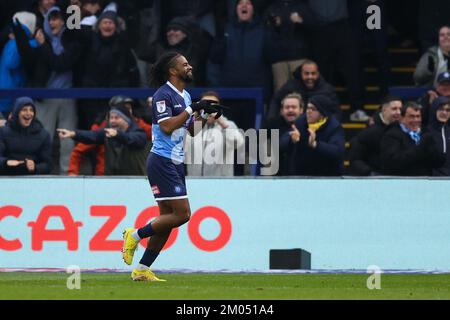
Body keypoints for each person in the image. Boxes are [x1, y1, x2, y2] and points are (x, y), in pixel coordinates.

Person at [120, 52, 224, 281]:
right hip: (162, 160)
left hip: (175, 162)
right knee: (183, 214)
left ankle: (142, 269)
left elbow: (192, 131)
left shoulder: (185, 95)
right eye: (185, 64)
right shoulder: (162, 95)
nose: (190, 66)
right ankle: (135, 235)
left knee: (167, 219)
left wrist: (204, 116)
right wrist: (191, 108)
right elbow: (166, 127)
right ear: (172, 70)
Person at [57, 102, 149, 175]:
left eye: (116, 118)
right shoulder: (107, 133)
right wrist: (73, 134)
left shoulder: (139, 133)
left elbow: (132, 139)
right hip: (113, 181)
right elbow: (92, 135)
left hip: (138, 181)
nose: (112, 121)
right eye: (111, 118)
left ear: (126, 120)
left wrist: (118, 135)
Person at [185, 91, 245, 176]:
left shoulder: (228, 125)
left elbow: (238, 143)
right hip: (195, 183)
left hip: (221, 185)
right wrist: (195, 120)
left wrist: (222, 123)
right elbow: (181, 148)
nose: (208, 109)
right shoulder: (193, 127)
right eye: (204, 105)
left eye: (213, 105)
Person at [282, 95, 345, 176]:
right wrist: (291, 140)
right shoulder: (301, 121)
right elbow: (282, 142)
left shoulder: (334, 127)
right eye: (308, 108)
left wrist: (315, 144)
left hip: (328, 174)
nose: (309, 111)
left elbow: (337, 152)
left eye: (313, 109)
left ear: (323, 113)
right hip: (302, 173)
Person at [380, 101, 445, 176]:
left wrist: (434, 152)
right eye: (411, 116)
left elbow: (438, 163)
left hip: (425, 182)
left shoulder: (426, 133)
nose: (416, 120)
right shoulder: (391, 136)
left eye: (418, 116)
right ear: (401, 118)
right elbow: (393, 163)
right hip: (401, 182)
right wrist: (420, 148)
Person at [263, 0, 315, 92]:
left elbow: (314, 27)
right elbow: (265, 31)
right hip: (279, 60)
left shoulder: (302, 6)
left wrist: (301, 21)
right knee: (281, 93)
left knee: (300, 92)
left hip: (299, 57)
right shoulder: (272, 8)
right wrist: (275, 25)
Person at [268, 60, 340, 121]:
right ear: (301, 73)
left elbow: (336, 112)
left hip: (319, 128)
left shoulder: (327, 90)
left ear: (318, 74)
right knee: (268, 131)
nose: (310, 77)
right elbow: (276, 100)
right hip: (292, 125)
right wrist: (272, 119)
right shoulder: (290, 86)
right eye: (306, 73)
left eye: (313, 73)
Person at [349, 96, 402, 176]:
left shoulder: (405, 129)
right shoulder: (369, 131)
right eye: (394, 109)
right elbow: (355, 158)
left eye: (400, 109)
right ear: (384, 109)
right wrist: (370, 173)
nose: (399, 112)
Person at [0, 97, 52, 175]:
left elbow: (48, 165)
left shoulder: (44, 135)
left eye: (31, 110)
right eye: (24, 110)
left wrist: (35, 167)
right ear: (16, 112)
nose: (28, 113)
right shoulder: (3, 132)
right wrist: (6, 162)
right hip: (7, 177)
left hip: (32, 180)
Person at [266, 92, 304, 175]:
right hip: (279, 174)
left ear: (301, 110)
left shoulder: (308, 125)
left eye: (294, 107)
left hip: (303, 174)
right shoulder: (272, 124)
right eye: (287, 107)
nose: (290, 110)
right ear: (282, 111)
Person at [427, 96, 450, 176]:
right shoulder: (425, 132)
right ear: (434, 110)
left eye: (448, 110)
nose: (444, 113)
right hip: (431, 180)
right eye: (440, 109)